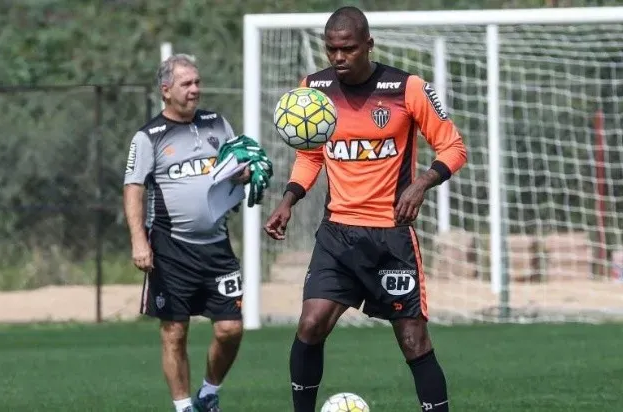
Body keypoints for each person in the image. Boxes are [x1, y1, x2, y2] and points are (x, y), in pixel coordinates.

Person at [264, 6, 467, 412]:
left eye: (348, 49)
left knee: (413, 340)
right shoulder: (314, 90)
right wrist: (288, 199)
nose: (339, 57)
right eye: (332, 49)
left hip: (390, 236)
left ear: (368, 45)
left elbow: (454, 148)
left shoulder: (407, 88)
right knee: (310, 324)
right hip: (337, 233)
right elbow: (311, 156)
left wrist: (421, 184)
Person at [123, 53, 253, 412]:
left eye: (197, 82)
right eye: (187, 84)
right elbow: (133, 187)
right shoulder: (148, 137)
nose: (196, 89)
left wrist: (244, 172)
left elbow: (235, 167)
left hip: (217, 247)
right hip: (170, 249)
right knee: (175, 332)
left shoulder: (217, 123)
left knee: (230, 329)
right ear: (166, 90)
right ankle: (184, 408)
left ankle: (209, 393)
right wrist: (138, 240)